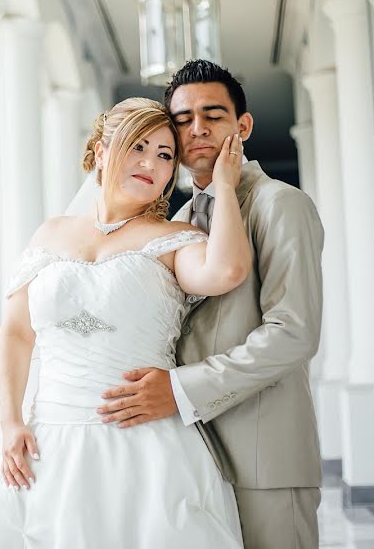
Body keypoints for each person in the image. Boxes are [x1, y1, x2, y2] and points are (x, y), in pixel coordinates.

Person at [0, 97, 251, 547]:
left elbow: (225, 271)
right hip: (47, 443)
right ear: (100, 151)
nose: (151, 163)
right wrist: (12, 421)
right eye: (138, 146)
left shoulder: (175, 239)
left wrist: (225, 187)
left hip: (142, 444)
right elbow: (16, 333)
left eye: (166, 155)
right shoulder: (49, 233)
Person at [95, 60, 324, 548]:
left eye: (213, 115)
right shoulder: (174, 222)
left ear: (242, 126)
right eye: (181, 119)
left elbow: (294, 332)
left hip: (265, 458)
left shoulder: (280, 204)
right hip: (185, 454)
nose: (196, 129)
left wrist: (179, 389)